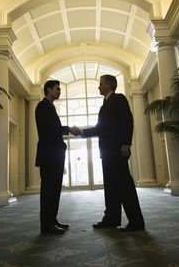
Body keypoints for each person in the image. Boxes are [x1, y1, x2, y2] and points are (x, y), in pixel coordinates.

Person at [80, 74, 145, 232]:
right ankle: (111, 218)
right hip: (107, 152)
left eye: (101, 83)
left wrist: (126, 143)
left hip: (117, 150)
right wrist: (81, 132)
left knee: (124, 186)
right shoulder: (105, 104)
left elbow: (128, 121)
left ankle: (136, 222)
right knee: (111, 187)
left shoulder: (119, 99)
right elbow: (100, 128)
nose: (99, 86)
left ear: (109, 85)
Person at [35, 80, 79, 235]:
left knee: (54, 189)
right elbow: (49, 129)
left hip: (53, 154)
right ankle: (47, 225)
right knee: (49, 190)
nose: (60, 91)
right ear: (48, 89)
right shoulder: (43, 106)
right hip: (49, 155)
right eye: (57, 89)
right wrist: (68, 128)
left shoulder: (49, 106)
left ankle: (52, 221)